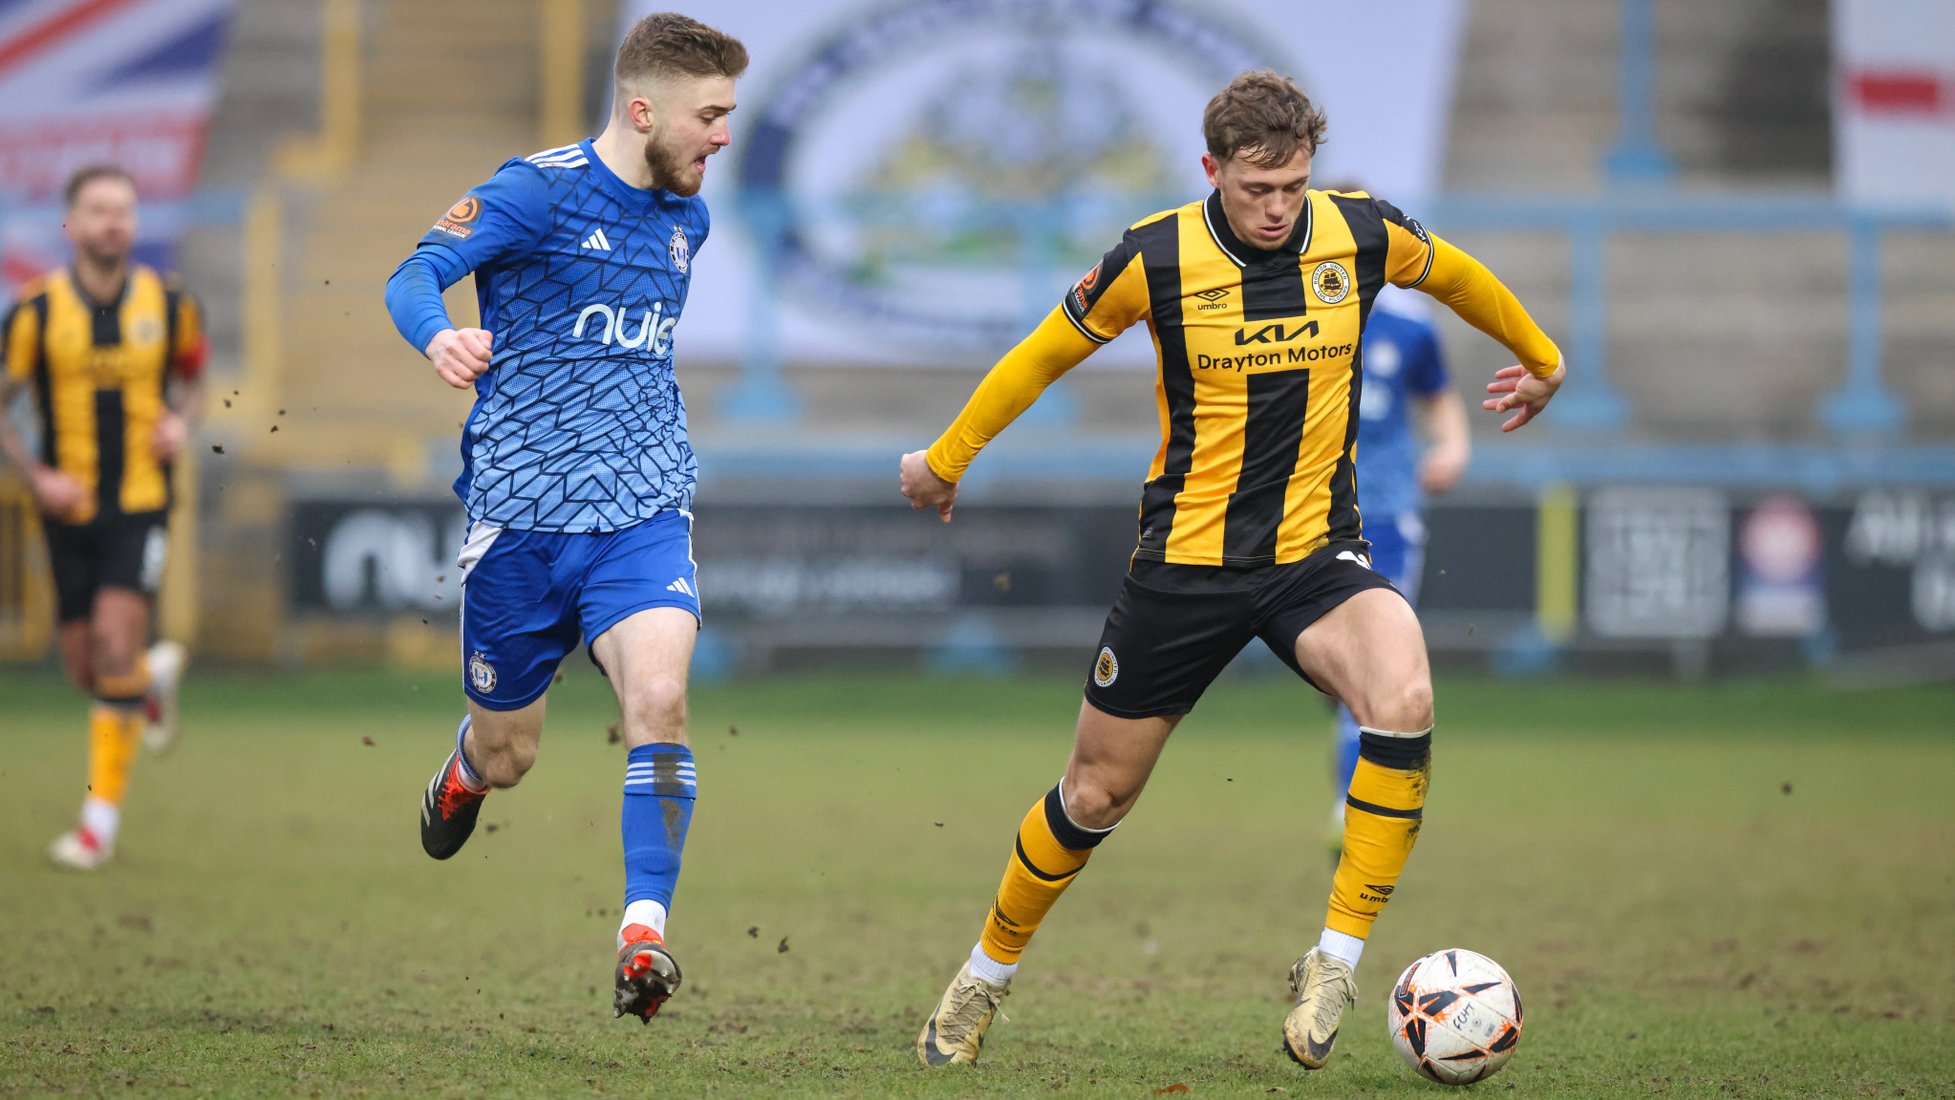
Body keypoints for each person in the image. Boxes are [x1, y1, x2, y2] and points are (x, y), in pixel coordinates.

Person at [900, 69, 1563, 1070]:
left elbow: (1459, 276)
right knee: (1093, 793)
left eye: (1292, 185)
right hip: (1183, 568)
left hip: (1312, 557)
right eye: (1256, 187)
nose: (1276, 207)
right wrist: (945, 459)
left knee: (1404, 689)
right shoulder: (1154, 256)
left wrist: (1541, 356)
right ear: (1210, 169)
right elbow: (1039, 355)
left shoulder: (1359, 234)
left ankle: (1333, 960)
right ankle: (983, 974)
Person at [381, 12, 746, 1023]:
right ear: (642, 110)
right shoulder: (533, 189)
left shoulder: (687, 217)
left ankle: (642, 932)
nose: (722, 136)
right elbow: (412, 272)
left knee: (661, 701)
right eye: (709, 115)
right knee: (512, 755)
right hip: (520, 522)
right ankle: (464, 769)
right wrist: (439, 340)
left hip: (642, 509)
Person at [0, 165, 202, 871]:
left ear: (136, 224)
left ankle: (96, 826)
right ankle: (153, 678)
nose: (112, 222)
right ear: (72, 225)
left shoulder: (171, 304)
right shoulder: (33, 311)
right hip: (65, 508)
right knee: (88, 668)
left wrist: (179, 423)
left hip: (140, 503)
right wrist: (38, 475)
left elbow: (193, 382)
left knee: (114, 644)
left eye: (123, 210)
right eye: (98, 210)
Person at [1322, 282, 1468, 862]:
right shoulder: (1282, 309)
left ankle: (1351, 808)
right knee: (1342, 673)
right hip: (1300, 519)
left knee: (1378, 667)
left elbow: (1439, 392)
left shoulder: (1408, 323)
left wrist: (1453, 446)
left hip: (1382, 515)